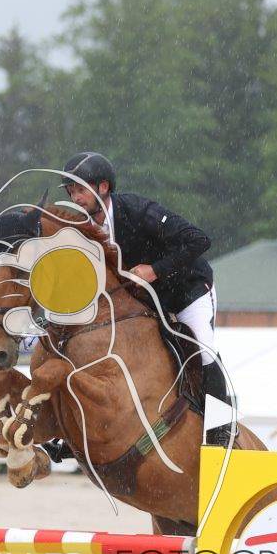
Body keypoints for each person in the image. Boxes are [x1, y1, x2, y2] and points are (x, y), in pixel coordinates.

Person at [59, 151, 232, 446]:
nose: (75, 198)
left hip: (187, 290)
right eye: (71, 191)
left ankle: (221, 431)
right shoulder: (81, 230)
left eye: (81, 190)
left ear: (103, 187)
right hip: (146, 302)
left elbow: (199, 240)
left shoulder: (138, 211)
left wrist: (155, 270)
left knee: (203, 349)